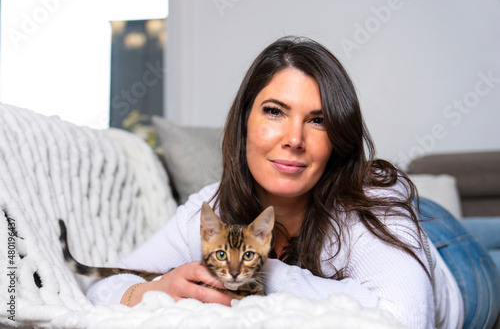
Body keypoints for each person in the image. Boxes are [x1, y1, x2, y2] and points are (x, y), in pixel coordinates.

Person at [87, 36, 500, 328]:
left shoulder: (373, 202)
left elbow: (406, 320)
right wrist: (149, 290)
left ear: (337, 136)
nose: (294, 139)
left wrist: (264, 273)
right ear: (244, 120)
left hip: (453, 264)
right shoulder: (211, 207)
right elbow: (104, 284)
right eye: (274, 111)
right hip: (408, 228)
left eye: (317, 120)